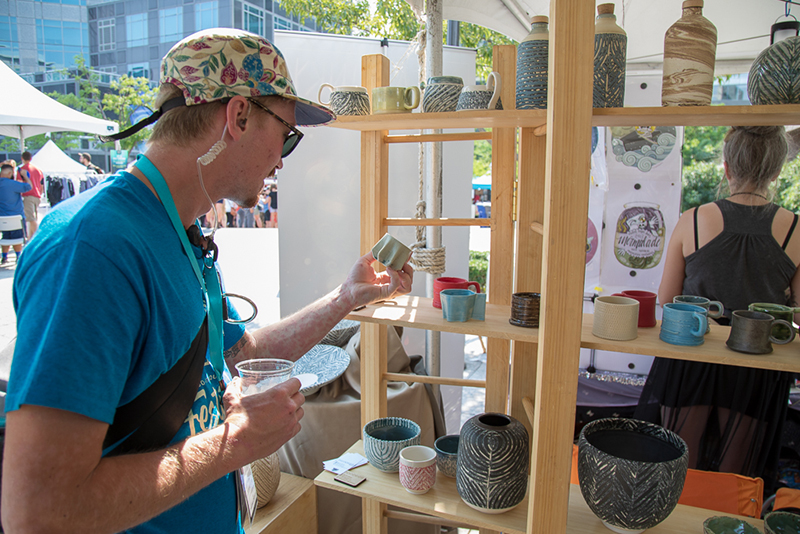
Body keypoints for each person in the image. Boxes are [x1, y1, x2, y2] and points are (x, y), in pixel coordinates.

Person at [2, 28, 413, 534]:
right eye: (286, 133)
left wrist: (346, 297)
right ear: (239, 116)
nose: (283, 157)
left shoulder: (181, 231)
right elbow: (39, 511)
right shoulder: (92, 248)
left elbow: (240, 353)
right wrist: (234, 442)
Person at [635, 125, 800, 492]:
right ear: (777, 171)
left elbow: (667, 298)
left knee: (679, 468)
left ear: (727, 167)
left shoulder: (693, 219)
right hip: (756, 363)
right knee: (734, 477)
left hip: (692, 353)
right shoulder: (795, 229)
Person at [0, 162, 31, 264]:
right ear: (10, 173)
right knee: (17, 238)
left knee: (5, 237)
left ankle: (4, 257)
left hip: (1, 219)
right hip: (16, 218)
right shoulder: (13, 184)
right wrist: (25, 176)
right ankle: (18, 256)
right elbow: (29, 187)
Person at [18, 151, 43, 238]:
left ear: (22, 158)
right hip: (37, 195)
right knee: (33, 218)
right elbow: (41, 184)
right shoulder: (38, 170)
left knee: (31, 219)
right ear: (31, 158)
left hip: (28, 195)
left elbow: (19, 184)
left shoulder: (21, 170)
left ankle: (37, 237)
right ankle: (31, 238)